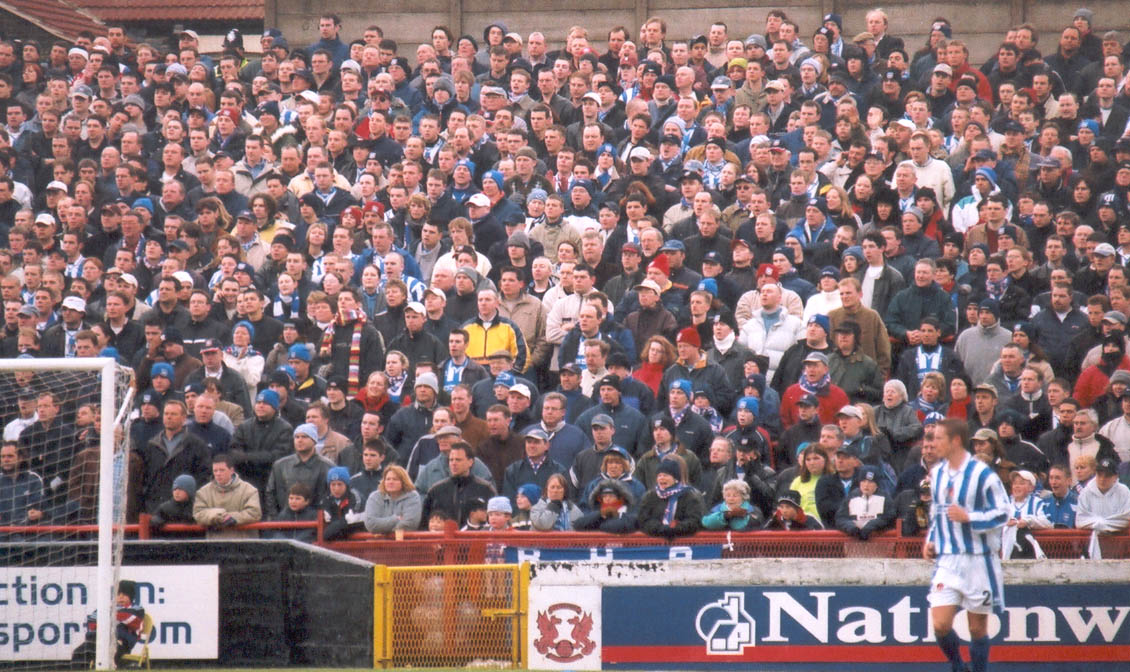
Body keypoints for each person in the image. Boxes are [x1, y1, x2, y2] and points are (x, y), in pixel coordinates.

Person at [925, 418, 1009, 672]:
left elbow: (1004, 512)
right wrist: (931, 539)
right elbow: (939, 511)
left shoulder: (982, 474)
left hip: (979, 560)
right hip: (948, 559)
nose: (933, 443)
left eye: (938, 438)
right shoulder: (938, 473)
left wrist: (969, 517)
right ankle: (958, 666)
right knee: (940, 624)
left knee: (977, 628)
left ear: (955, 441)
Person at [193, 453, 263, 539]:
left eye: (222, 470)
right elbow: (198, 514)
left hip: (243, 544)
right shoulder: (203, 492)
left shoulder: (249, 490)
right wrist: (217, 516)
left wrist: (233, 518)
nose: (218, 474)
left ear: (232, 470)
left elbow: (254, 513)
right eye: (215, 471)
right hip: (215, 545)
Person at [638, 459, 705, 537]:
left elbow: (694, 520)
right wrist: (660, 528)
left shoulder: (689, 496)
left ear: (675, 478)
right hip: (655, 541)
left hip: (681, 542)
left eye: (665, 475)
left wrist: (677, 527)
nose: (661, 478)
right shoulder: (650, 496)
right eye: (659, 475)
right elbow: (643, 519)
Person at [835, 467, 896, 539]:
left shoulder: (885, 498)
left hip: (879, 544)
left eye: (870, 482)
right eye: (863, 481)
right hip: (854, 545)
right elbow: (840, 518)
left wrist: (871, 526)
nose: (866, 485)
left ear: (876, 484)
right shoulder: (851, 497)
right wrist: (852, 528)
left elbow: (889, 517)